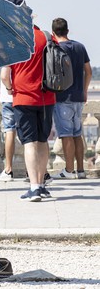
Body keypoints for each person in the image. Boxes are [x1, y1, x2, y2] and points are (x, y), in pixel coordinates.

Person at [3, 25, 56, 202]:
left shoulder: (13, 39)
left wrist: (10, 88)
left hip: (23, 98)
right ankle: (41, 185)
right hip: (46, 97)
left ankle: (33, 187)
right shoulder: (47, 37)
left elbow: (4, 75)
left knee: (29, 142)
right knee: (43, 140)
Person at [50, 18, 91, 180]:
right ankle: (81, 170)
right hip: (78, 96)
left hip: (62, 96)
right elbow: (88, 71)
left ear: (53, 33)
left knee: (66, 134)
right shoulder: (80, 47)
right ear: (68, 30)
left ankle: (68, 170)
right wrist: (85, 90)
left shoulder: (55, 48)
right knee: (77, 133)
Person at [0, 66, 16, 181]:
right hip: (23, 95)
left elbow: (4, 76)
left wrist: (9, 88)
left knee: (9, 130)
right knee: (28, 133)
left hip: (8, 97)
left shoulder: (8, 54)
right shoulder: (27, 52)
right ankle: (31, 171)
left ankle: (8, 169)